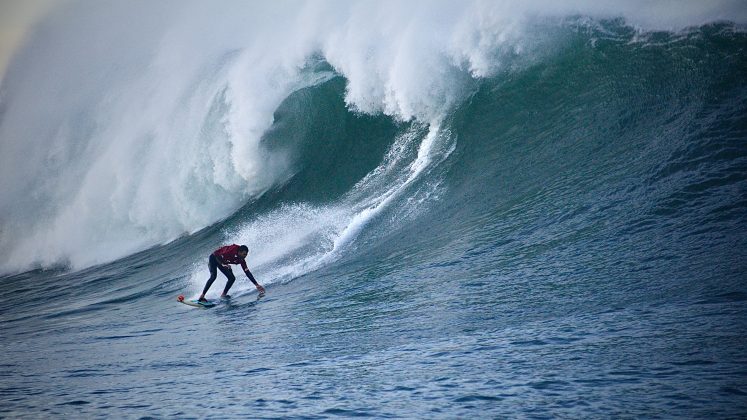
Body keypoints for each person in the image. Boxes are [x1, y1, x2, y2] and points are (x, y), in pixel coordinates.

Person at [198, 244, 265, 302]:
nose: (245, 256)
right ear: (239, 252)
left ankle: (223, 295)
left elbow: (247, 272)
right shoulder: (232, 249)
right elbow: (216, 254)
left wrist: (256, 284)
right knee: (213, 276)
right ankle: (202, 296)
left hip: (223, 262)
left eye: (246, 254)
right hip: (214, 258)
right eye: (244, 254)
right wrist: (223, 264)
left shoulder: (241, 260)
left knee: (232, 278)